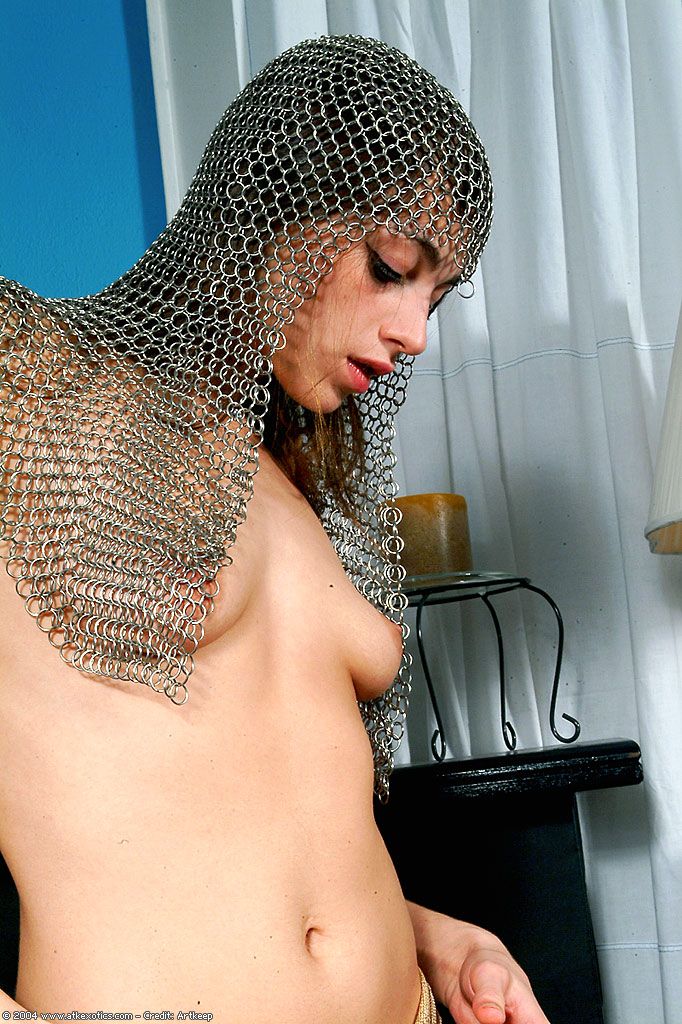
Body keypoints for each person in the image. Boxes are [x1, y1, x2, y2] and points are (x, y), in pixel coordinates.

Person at [0, 34, 549, 1024]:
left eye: (435, 296)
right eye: (391, 267)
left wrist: (436, 935)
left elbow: (251, 827)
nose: (415, 332)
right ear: (277, 207)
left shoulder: (298, 485)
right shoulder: (31, 383)